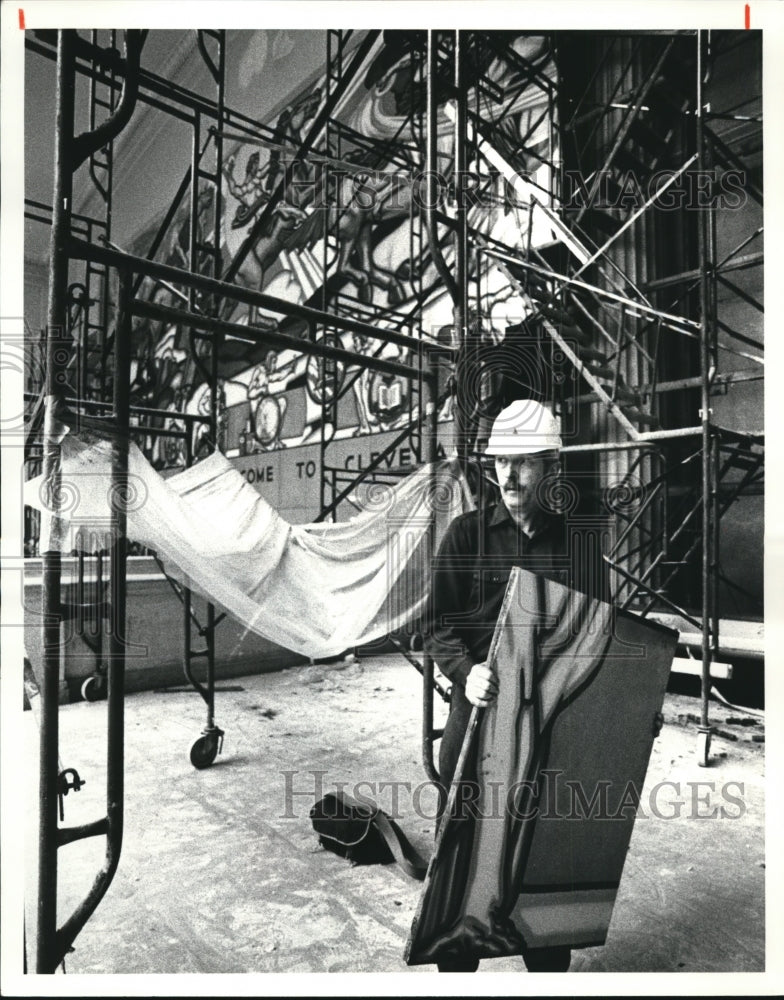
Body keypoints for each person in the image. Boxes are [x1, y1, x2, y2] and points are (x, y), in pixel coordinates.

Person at [425, 398, 606, 973]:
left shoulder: (579, 544)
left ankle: (545, 964)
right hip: (477, 710)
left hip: (551, 720)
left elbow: (599, 637)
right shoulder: (463, 536)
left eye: (524, 463)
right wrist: (465, 671)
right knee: (461, 866)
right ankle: (459, 959)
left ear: (551, 467)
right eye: (501, 462)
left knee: (543, 858)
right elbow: (433, 626)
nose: (508, 475)